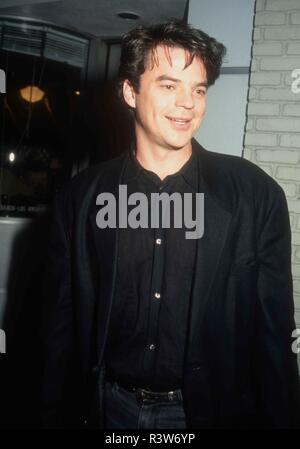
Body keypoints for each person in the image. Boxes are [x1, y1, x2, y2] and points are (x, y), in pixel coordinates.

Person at [41, 21, 300, 429]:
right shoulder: (80, 198)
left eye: (198, 89)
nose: (187, 103)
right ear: (130, 92)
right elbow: (59, 328)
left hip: (207, 412)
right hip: (108, 408)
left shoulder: (256, 195)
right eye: (168, 85)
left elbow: (274, 335)